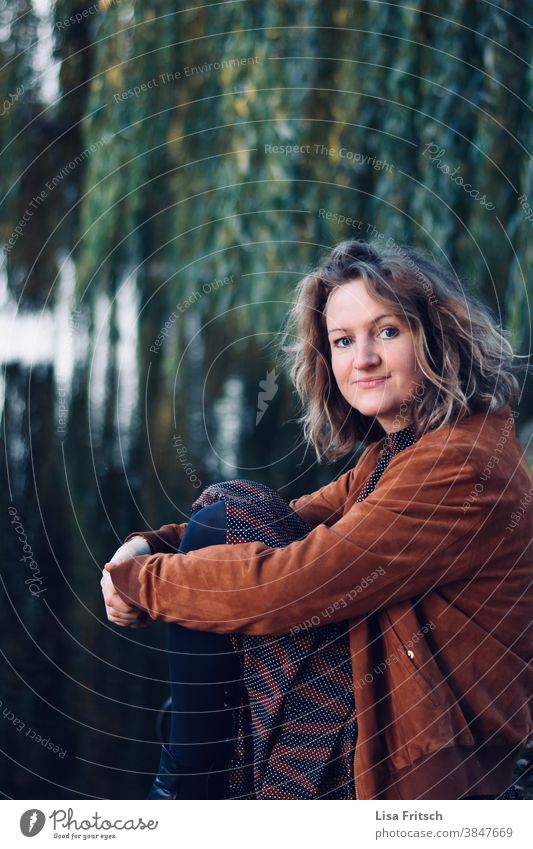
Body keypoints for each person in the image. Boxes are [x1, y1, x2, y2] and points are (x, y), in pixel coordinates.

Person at [101, 238, 533, 800]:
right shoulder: (405, 451)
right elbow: (299, 518)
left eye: (387, 332)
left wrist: (144, 581)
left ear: (436, 336)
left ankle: (183, 793)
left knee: (232, 529)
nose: (364, 359)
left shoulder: (459, 466)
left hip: (426, 764)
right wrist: (152, 545)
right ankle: (187, 785)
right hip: (403, 709)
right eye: (343, 341)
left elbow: (298, 583)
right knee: (230, 519)